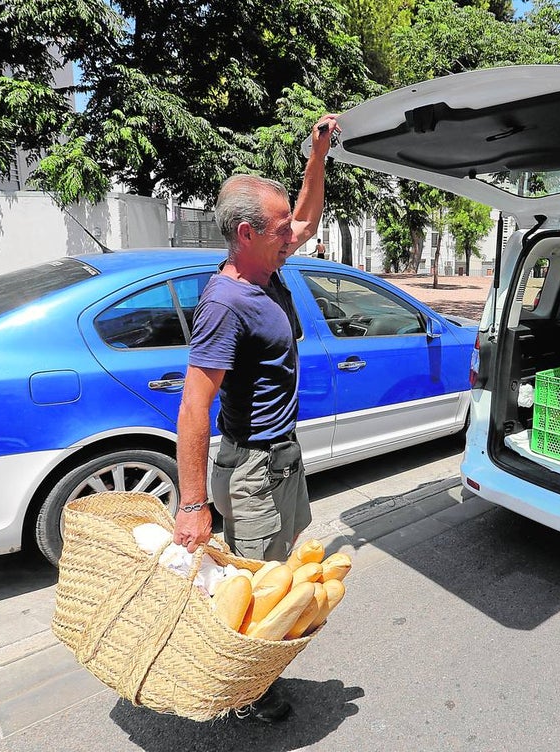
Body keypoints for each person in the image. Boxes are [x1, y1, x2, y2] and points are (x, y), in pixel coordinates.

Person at [172, 113, 339, 722]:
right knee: (257, 587)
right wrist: (192, 503)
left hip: (283, 457)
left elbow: (307, 216)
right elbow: (195, 404)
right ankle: (245, 689)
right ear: (245, 233)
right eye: (277, 231)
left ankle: (257, 672)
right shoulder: (227, 301)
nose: (291, 236)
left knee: (283, 569)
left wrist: (316, 156)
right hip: (251, 469)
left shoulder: (266, 270)